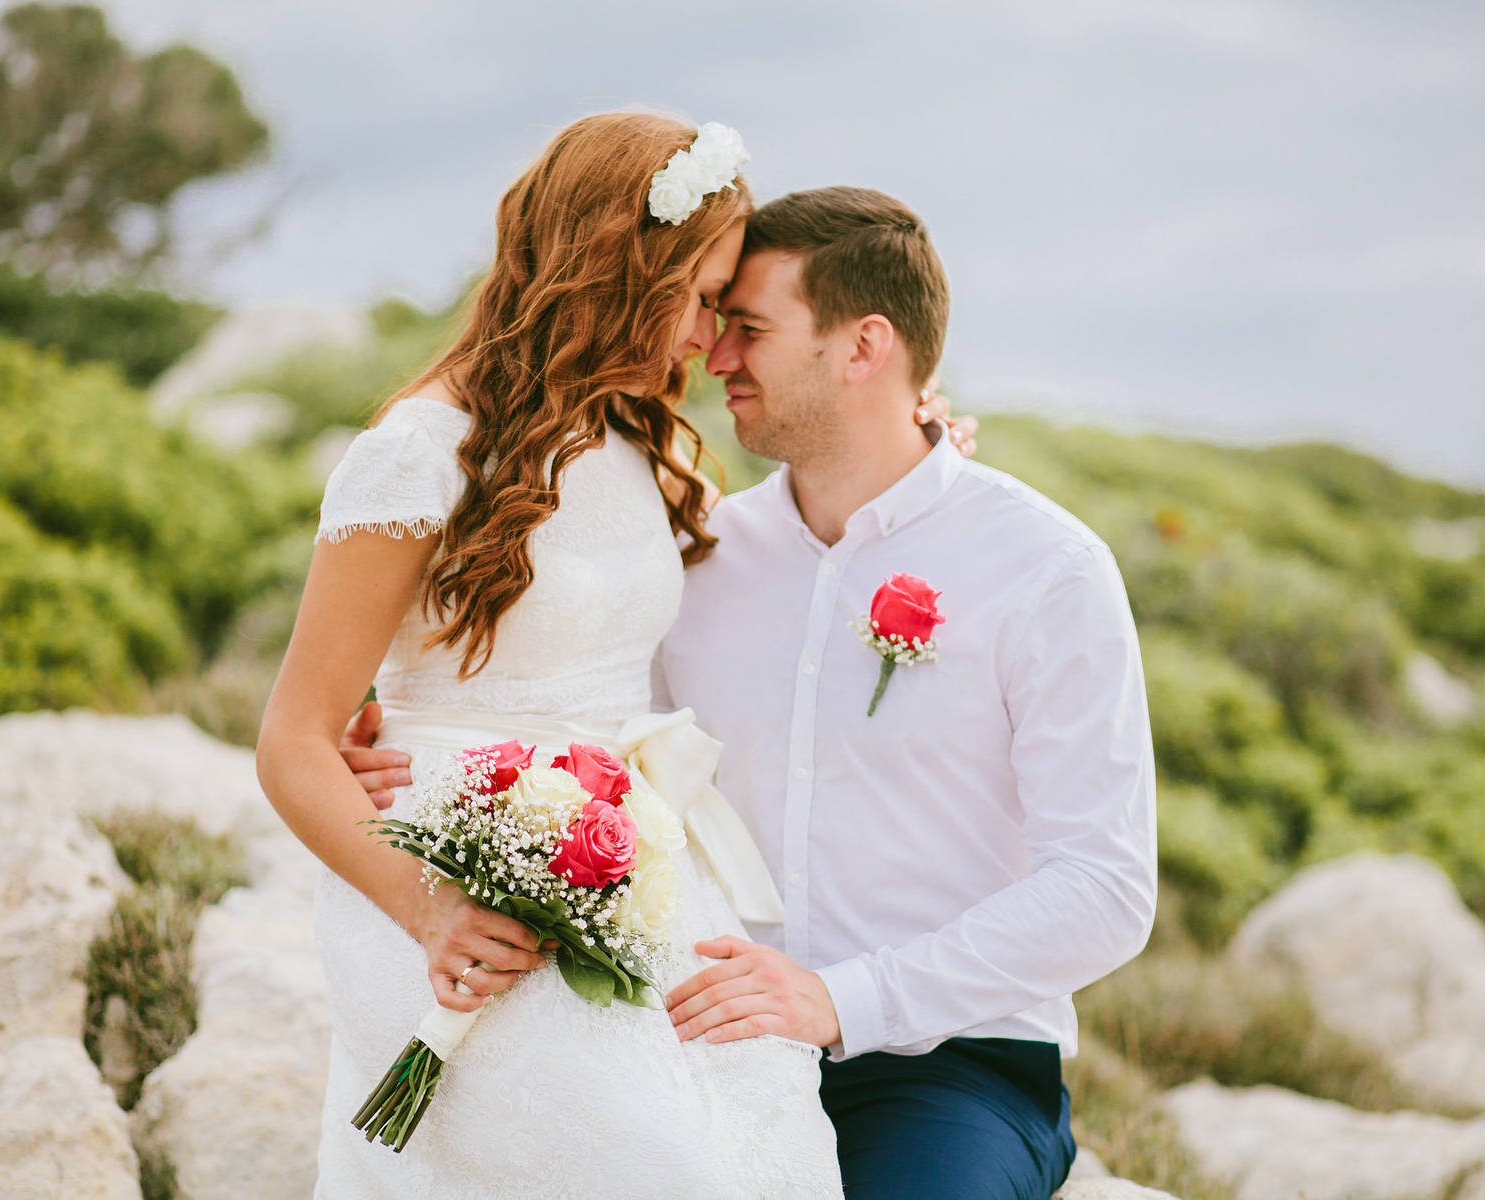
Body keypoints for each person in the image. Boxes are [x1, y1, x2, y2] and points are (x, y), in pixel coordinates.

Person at [349, 185, 1158, 1199]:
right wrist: (403, 751)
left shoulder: (1046, 571)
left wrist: (841, 1000)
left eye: (751, 330)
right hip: (690, 1038)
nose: (716, 357)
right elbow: (582, 735)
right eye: (719, 324)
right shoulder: (697, 557)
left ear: (862, 348)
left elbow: (1106, 891)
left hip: (942, 1070)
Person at [257, 113, 889, 1198]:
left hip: (633, 861)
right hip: (457, 879)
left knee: (759, 1146)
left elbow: (786, 539)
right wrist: (432, 909)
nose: (709, 341)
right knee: (649, 1163)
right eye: (697, 299)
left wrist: (913, 441)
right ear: (616, 268)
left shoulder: (632, 438)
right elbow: (292, 741)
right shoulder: (415, 454)